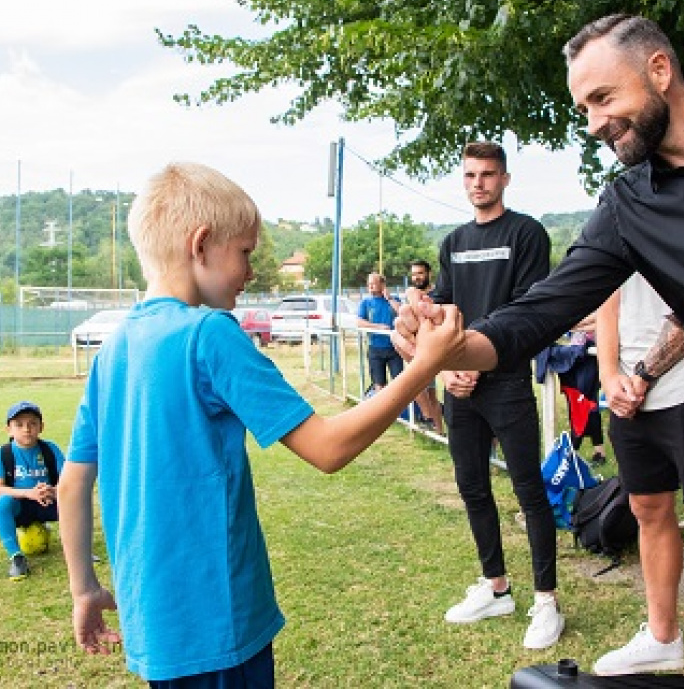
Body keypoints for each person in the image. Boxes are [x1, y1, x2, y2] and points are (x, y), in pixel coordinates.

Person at [394, 14, 684, 644]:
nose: (592, 124)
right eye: (583, 107)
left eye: (603, 98)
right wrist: (451, 344)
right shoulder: (628, 206)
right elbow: (544, 309)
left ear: (660, 70)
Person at [57, 162, 464, 686]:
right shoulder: (210, 334)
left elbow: (72, 482)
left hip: (153, 625)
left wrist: (84, 590)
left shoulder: (111, 351)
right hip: (219, 624)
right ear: (201, 244)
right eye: (245, 253)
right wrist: (423, 366)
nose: (250, 272)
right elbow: (327, 447)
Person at [427, 141, 563, 650]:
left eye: (487, 174)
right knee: (472, 488)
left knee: (530, 492)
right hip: (461, 386)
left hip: (504, 381)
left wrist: (474, 361)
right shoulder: (453, 242)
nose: (478, 183)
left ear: (505, 179)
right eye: (469, 175)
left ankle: (546, 599)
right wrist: (447, 364)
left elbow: (529, 309)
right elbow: (443, 309)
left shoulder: (526, 234)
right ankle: (496, 586)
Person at [592, 273, 684, 675]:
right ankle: (662, 636)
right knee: (647, 508)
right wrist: (608, 376)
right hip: (630, 398)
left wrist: (641, 375)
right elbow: (607, 299)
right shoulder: (614, 211)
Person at [0, 400, 64, 581]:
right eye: (19, 425)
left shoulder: (50, 450)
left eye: (32, 423)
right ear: (9, 430)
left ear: (41, 427)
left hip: (48, 501)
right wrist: (29, 493)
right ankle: (17, 557)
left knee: (75, 499)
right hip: (20, 506)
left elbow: (70, 482)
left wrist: (53, 490)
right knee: (2, 503)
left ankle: (79, 551)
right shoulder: (4, 454)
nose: (26, 429)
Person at [409, 259, 445, 434]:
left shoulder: (440, 292)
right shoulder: (411, 295)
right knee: (425, 390)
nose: (416, 277)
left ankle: (438, 427)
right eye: (414, 274)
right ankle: (435, 427)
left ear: (429, 274)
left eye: (420, 273)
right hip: (420, 349)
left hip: (443, 347)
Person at [357, 272, 404, 391]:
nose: (370, 286)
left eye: (373, 283)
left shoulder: (394, 300)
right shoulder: (366, 302)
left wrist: (389, 298)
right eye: (369, 284)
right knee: (379, 384)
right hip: (375, 348)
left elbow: (402, 313)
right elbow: (359, 322)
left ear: (382, 284)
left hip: (394, 348)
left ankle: (399, 408)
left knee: (399, 383)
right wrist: (378, 327)